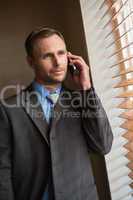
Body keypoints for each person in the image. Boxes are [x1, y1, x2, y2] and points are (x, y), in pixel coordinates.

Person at [0, 27, 113, 200]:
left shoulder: (82, 99)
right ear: (31, 61)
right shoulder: (8, 108)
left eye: (61, 53)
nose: (58, 62)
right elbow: (3, 170)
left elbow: (103, 146)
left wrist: (86, 89)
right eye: (47, 56)